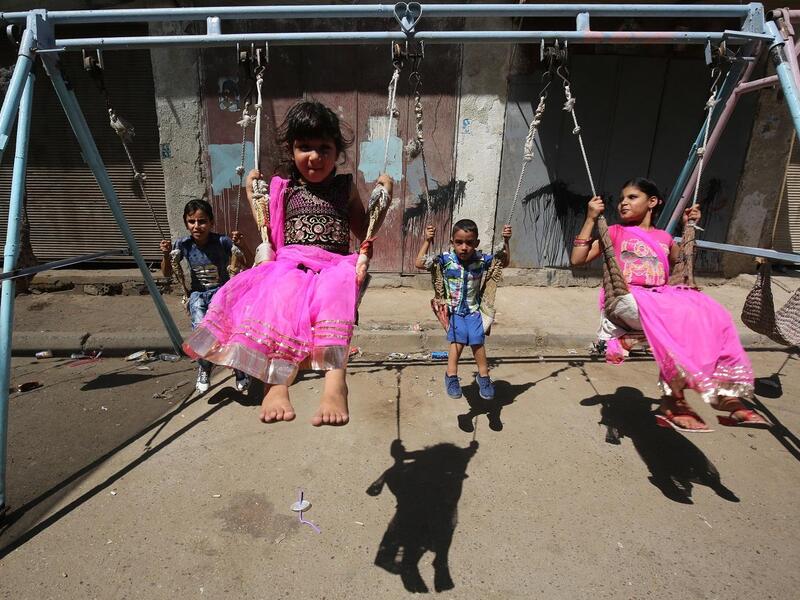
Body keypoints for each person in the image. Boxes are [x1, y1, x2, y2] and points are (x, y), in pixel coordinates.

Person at [182, 100, 392, 426]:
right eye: (304, 147)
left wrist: (382, 197)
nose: (314, 156)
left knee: (336, 297)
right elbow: (271, 230)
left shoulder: (345, 188)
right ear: (291, 150)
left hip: (335, 263)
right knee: (281, 298)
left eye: (324, 148)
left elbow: (362, 230)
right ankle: (276, 383)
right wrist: (255, 193)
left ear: (337, 152)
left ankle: (336, 383)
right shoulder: (284, 188)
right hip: (291, 262)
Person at [570, 177, 770, 433]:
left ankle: (722, 393)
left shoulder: (664, 238)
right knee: (679, 317)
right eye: (621, 199)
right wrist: (590, 219)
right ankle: (672, 398)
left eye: (632, 197)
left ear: (652, 202)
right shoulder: (615, 232)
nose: (623, 203)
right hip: (627, 299)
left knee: (712, 314)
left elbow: (683, 268)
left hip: (660, 301)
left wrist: (689, 229)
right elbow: (578, 259)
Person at [160, 199, 251, 394]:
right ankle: (204, 366)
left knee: (230, 331)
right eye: (191, 221)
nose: (197, 226)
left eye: (202, 221)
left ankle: (239, 368)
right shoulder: (182, 244)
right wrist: (167, 255)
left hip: (223, 293)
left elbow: (248, 262)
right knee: (201, 333)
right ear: (186, 223)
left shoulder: (222, 242)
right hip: (198, 295)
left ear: (211, 222)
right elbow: (167, 273)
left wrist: (241, 245)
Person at [415, 220, 512, 400]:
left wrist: (506, 241)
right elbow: (419, 263)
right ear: (452, 242)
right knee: (458, 341)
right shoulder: (445, 260)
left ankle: (483, 377)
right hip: (453, 310)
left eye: (469, 242)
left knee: (477, 340)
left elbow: (503, 263)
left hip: (474, 309)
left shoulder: (482, 260)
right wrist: (427, 240)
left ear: (476, 243)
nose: (464, 247)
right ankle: (451, 376)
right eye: (459, 242)